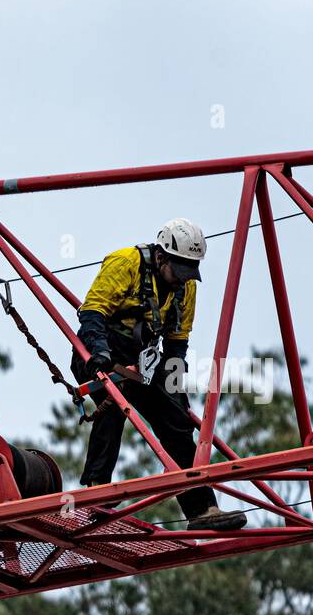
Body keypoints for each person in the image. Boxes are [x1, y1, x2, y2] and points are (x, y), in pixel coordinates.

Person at [71, 217, 247, 532]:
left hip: (144, 360)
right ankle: (96, 493)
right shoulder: (125, 263)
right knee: (112, 407)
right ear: (162, 256)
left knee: (177, 422)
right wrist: (101, 355)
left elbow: (177, 342)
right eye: (178, 270)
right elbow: (93, 312)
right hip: (103, 349)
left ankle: (202, 509)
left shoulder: (186, 287)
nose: (182, 279)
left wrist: (175, 386)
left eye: (189, 271)